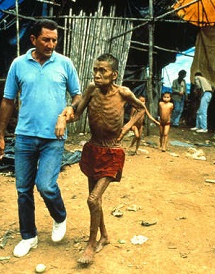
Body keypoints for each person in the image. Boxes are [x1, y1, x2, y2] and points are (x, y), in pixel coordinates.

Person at [57, 53, 159, 264]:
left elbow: (141, 109)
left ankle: (91, 244)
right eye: (95, 70)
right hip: (93, 148)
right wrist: (66, 114)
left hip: (112, 150)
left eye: (102, 71)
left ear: (114, 75)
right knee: (95, 200)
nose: (97, 74)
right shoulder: (91, 90)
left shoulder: (123, 92)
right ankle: (104, 236)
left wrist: (127, 127)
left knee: (92, 199)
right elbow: (77, 112)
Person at [0, 19, 81, 258]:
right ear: (33, 39)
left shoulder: (65, 64)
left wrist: (68, 110)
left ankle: (59, 216)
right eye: (46, 39)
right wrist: (1, 136)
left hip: (54, 137)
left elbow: (78, 96)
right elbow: (8, 100)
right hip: (24, 137)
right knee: (23, 190)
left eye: (54, 40)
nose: (51, 44)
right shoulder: (18, 65)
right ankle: (28, 236)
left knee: (45, 185)